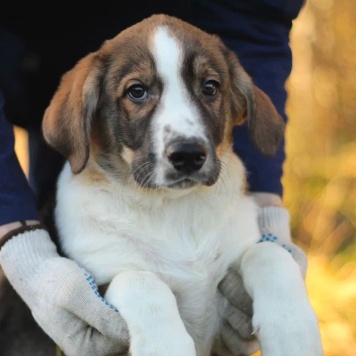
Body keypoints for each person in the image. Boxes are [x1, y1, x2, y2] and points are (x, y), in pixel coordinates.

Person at [0, 1, 307, 355]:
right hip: (27, 52)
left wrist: (268, 221)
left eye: (208, 88)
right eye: (138, 92)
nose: (185, 137)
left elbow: (256, 21)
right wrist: (19, 241)